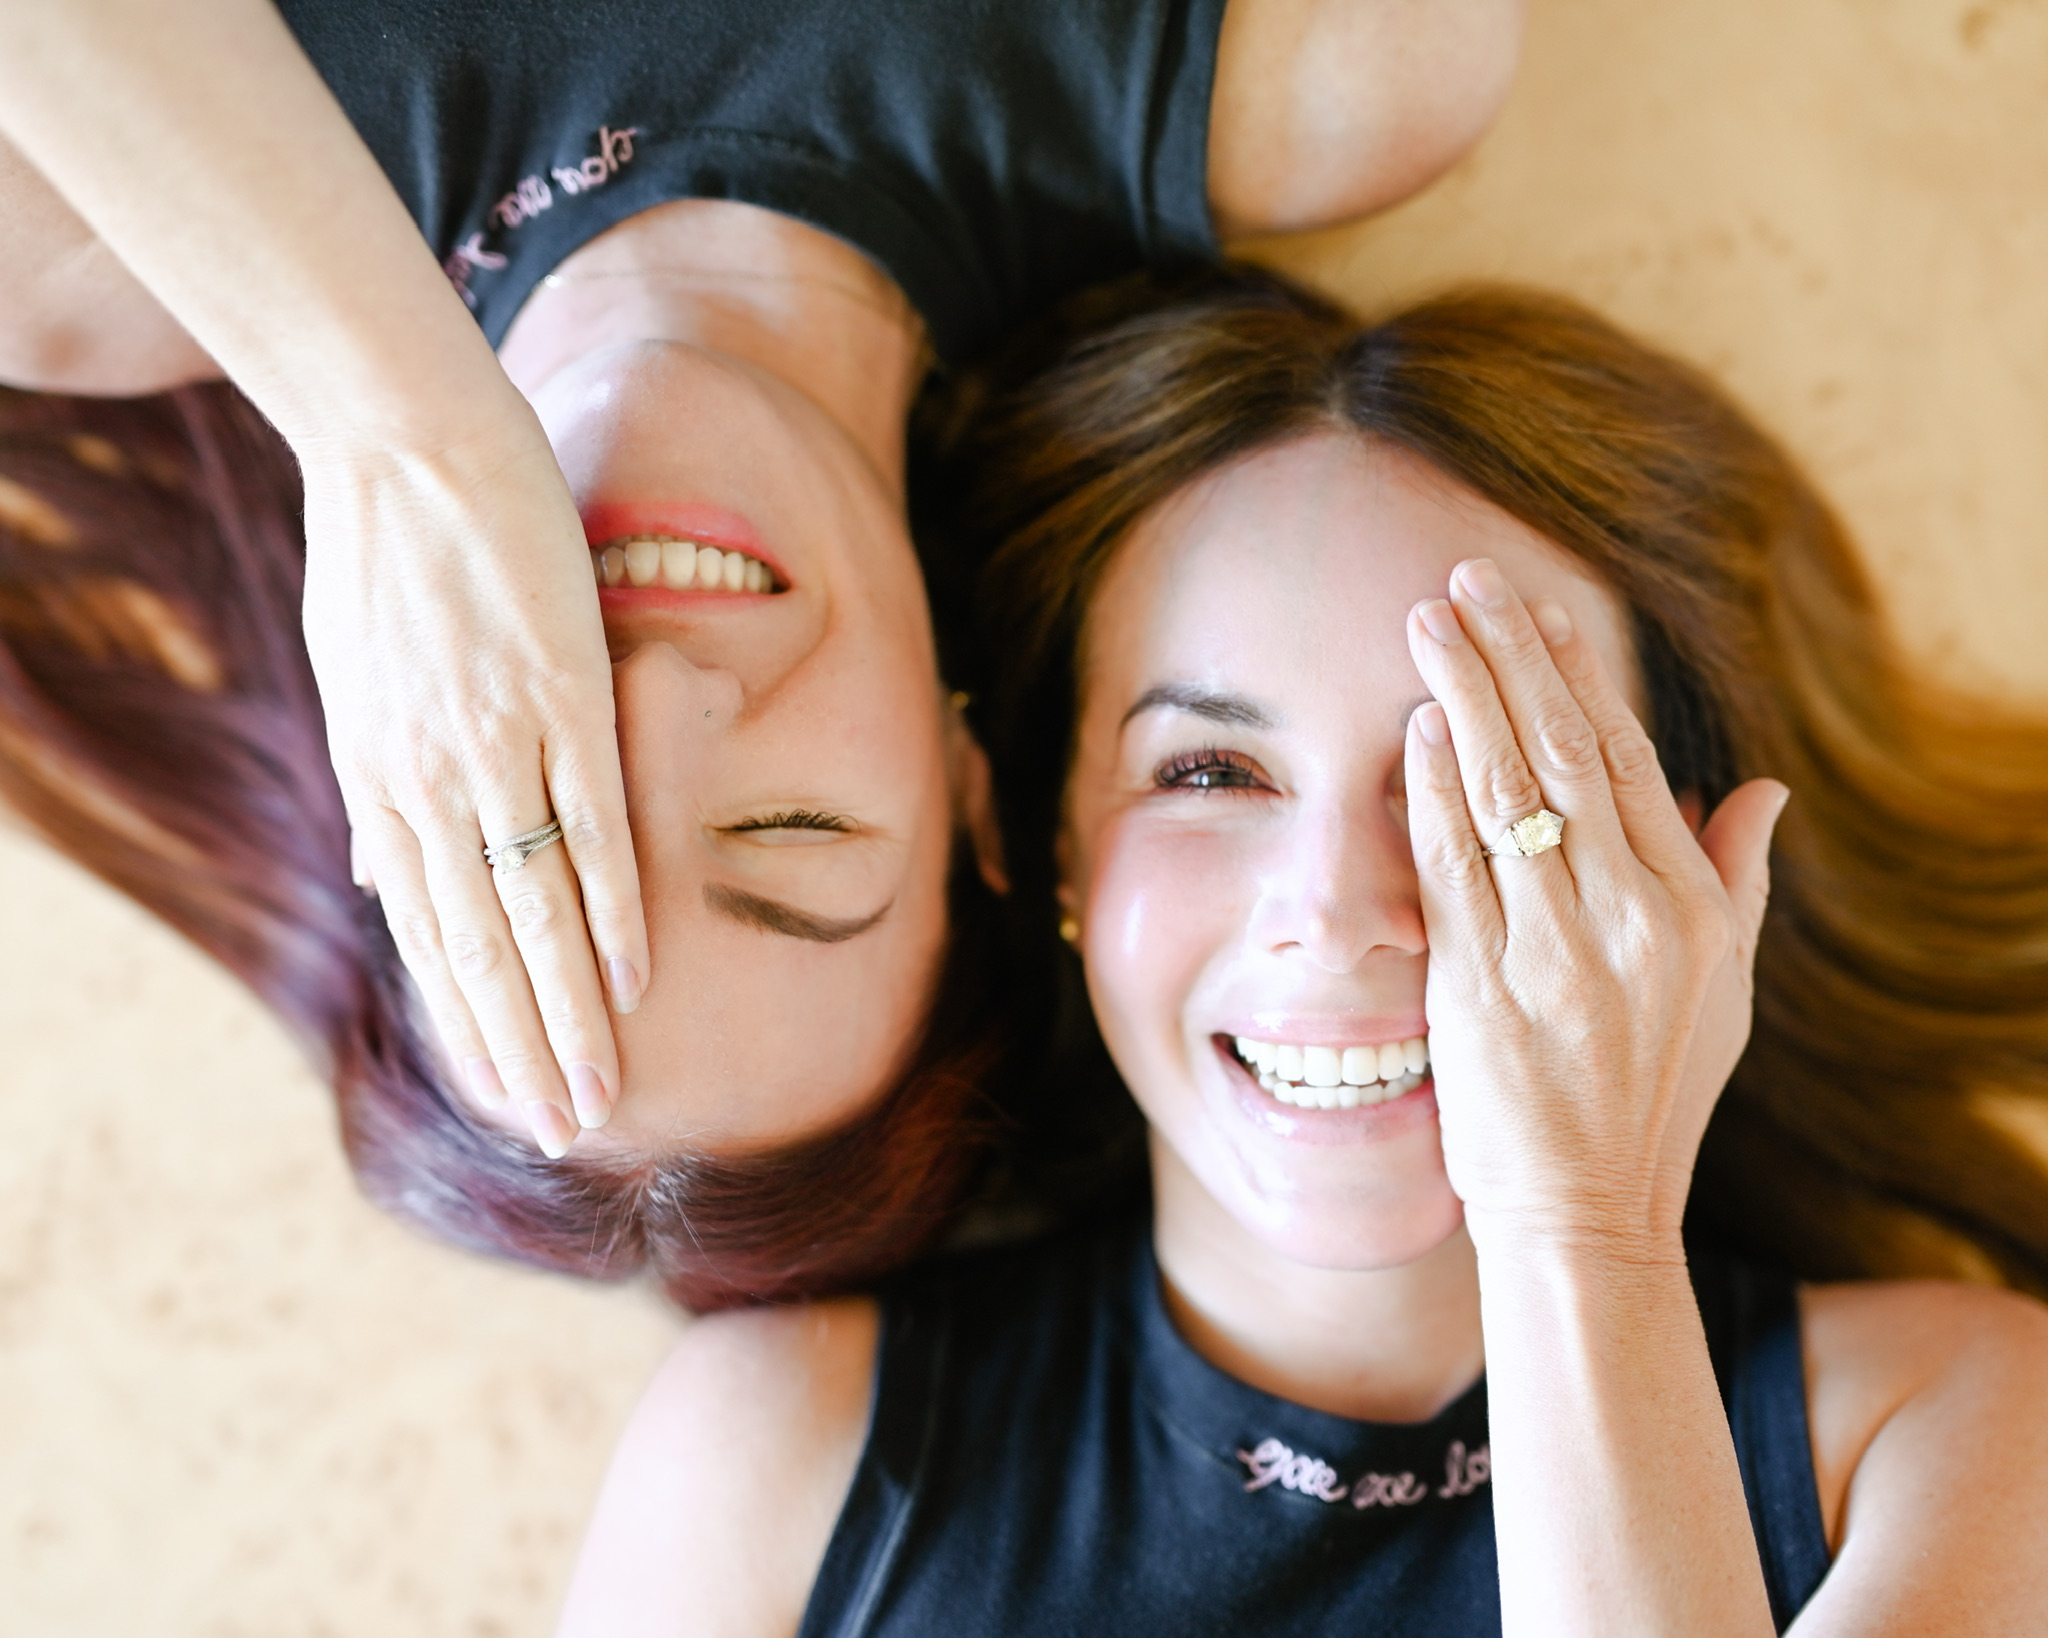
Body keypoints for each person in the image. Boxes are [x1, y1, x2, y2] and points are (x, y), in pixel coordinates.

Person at [553, 268, 2048, 1633]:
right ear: (1037, 831)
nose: (1334, 906)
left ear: (1688, 869)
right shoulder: (778, 1465)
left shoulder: (1959, 1426)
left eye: (1482, 781)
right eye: (1208, 773)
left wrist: (1581, 1227)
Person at [0, 0, 1523, 1163]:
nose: (655, 690)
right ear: (973, 775)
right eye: (787, 831)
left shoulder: (73, 242)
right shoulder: (1329, 67)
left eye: (522, 807)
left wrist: (392, 427)